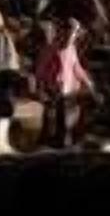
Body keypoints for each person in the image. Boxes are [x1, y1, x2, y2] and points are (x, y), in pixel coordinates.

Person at [34, 17, 92, 151]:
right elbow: (40, 70)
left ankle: (62, 141)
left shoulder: (71, 49)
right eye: (67, 34)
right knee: (50, 115)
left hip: (66, 88)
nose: (70, 38)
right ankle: (45, 141)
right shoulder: (50, 49)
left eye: (73, 34)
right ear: (60, 32)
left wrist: (87, 81)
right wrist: (40, 88)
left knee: (64, 116)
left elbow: (76, 67)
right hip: (52, 88)